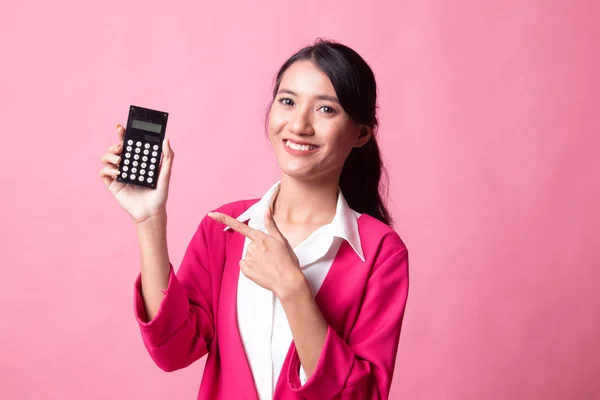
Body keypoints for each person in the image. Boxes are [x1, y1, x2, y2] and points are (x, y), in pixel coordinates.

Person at [99, 39, 409, 400]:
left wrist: (294, 290)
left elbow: (363, 396)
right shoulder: (226, 227)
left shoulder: (380, 253)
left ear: (360, 134)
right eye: (288, 102)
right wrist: (149, 221)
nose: (299, 124)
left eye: (326, 109)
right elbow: (172, 350)